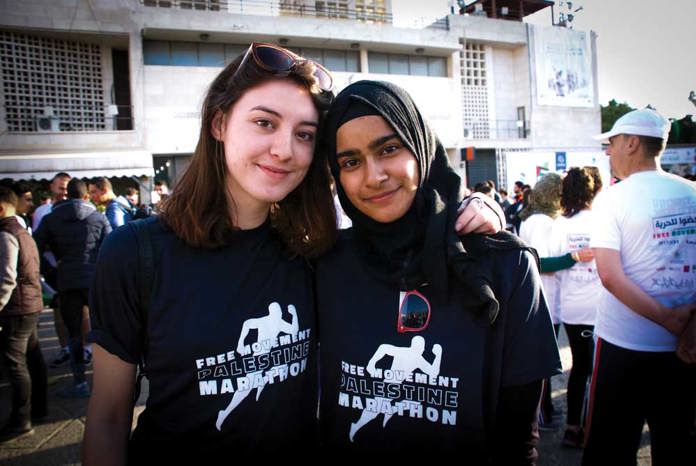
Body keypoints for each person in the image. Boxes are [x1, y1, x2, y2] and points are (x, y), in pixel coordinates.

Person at [84, 45, 503, 465]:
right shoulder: (135, 253)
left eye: (304, 134)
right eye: (264, 123)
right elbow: (108, 416)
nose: (284, 150)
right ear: (219, 123)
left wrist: (466, 211)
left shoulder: (313, 251)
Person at [315, 80, 561, 460]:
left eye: (389, 148)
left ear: (421, 147)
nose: (373, 175)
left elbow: (518, 438)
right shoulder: (325, 266)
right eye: (350, 162)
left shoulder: (505, 267)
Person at [583, 109, 696, 465]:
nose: (608, 152)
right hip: (686, 349)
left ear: (632, 143)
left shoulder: (612, 198)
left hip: (623, 345)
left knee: (609, 449)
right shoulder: (692, 192)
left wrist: (670, 319)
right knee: (677, 444)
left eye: (612, 142)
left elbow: (610, 276)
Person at [34, 179, 111, 398]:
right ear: (86, 196)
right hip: (95, 280)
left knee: (74, 334)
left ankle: (79, 382)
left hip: (67, 280)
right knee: (102, 331)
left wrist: (51, 272)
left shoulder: (51, 218)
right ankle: (107, 379)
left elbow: (33, 247)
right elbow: (111, 247)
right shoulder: (99, 217)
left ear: (67, 195)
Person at [548, 167, 602, 449]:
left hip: (574, 308)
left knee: (581, 369)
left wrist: (570, 258)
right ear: (594, 191)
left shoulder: (560, 224)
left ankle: (573, 427)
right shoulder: (603, 220)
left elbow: (551, 262)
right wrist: (576, 256)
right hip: (602, 309)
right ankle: (583, 427)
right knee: (596, 369)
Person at [0, 187, 47, 443]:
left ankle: (21, 419)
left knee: (15, 363)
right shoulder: (22, 231)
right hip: (30, 302)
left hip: (17, 306)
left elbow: (6, 277)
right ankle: (39, 408)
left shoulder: (7, 234)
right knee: (33, 356)